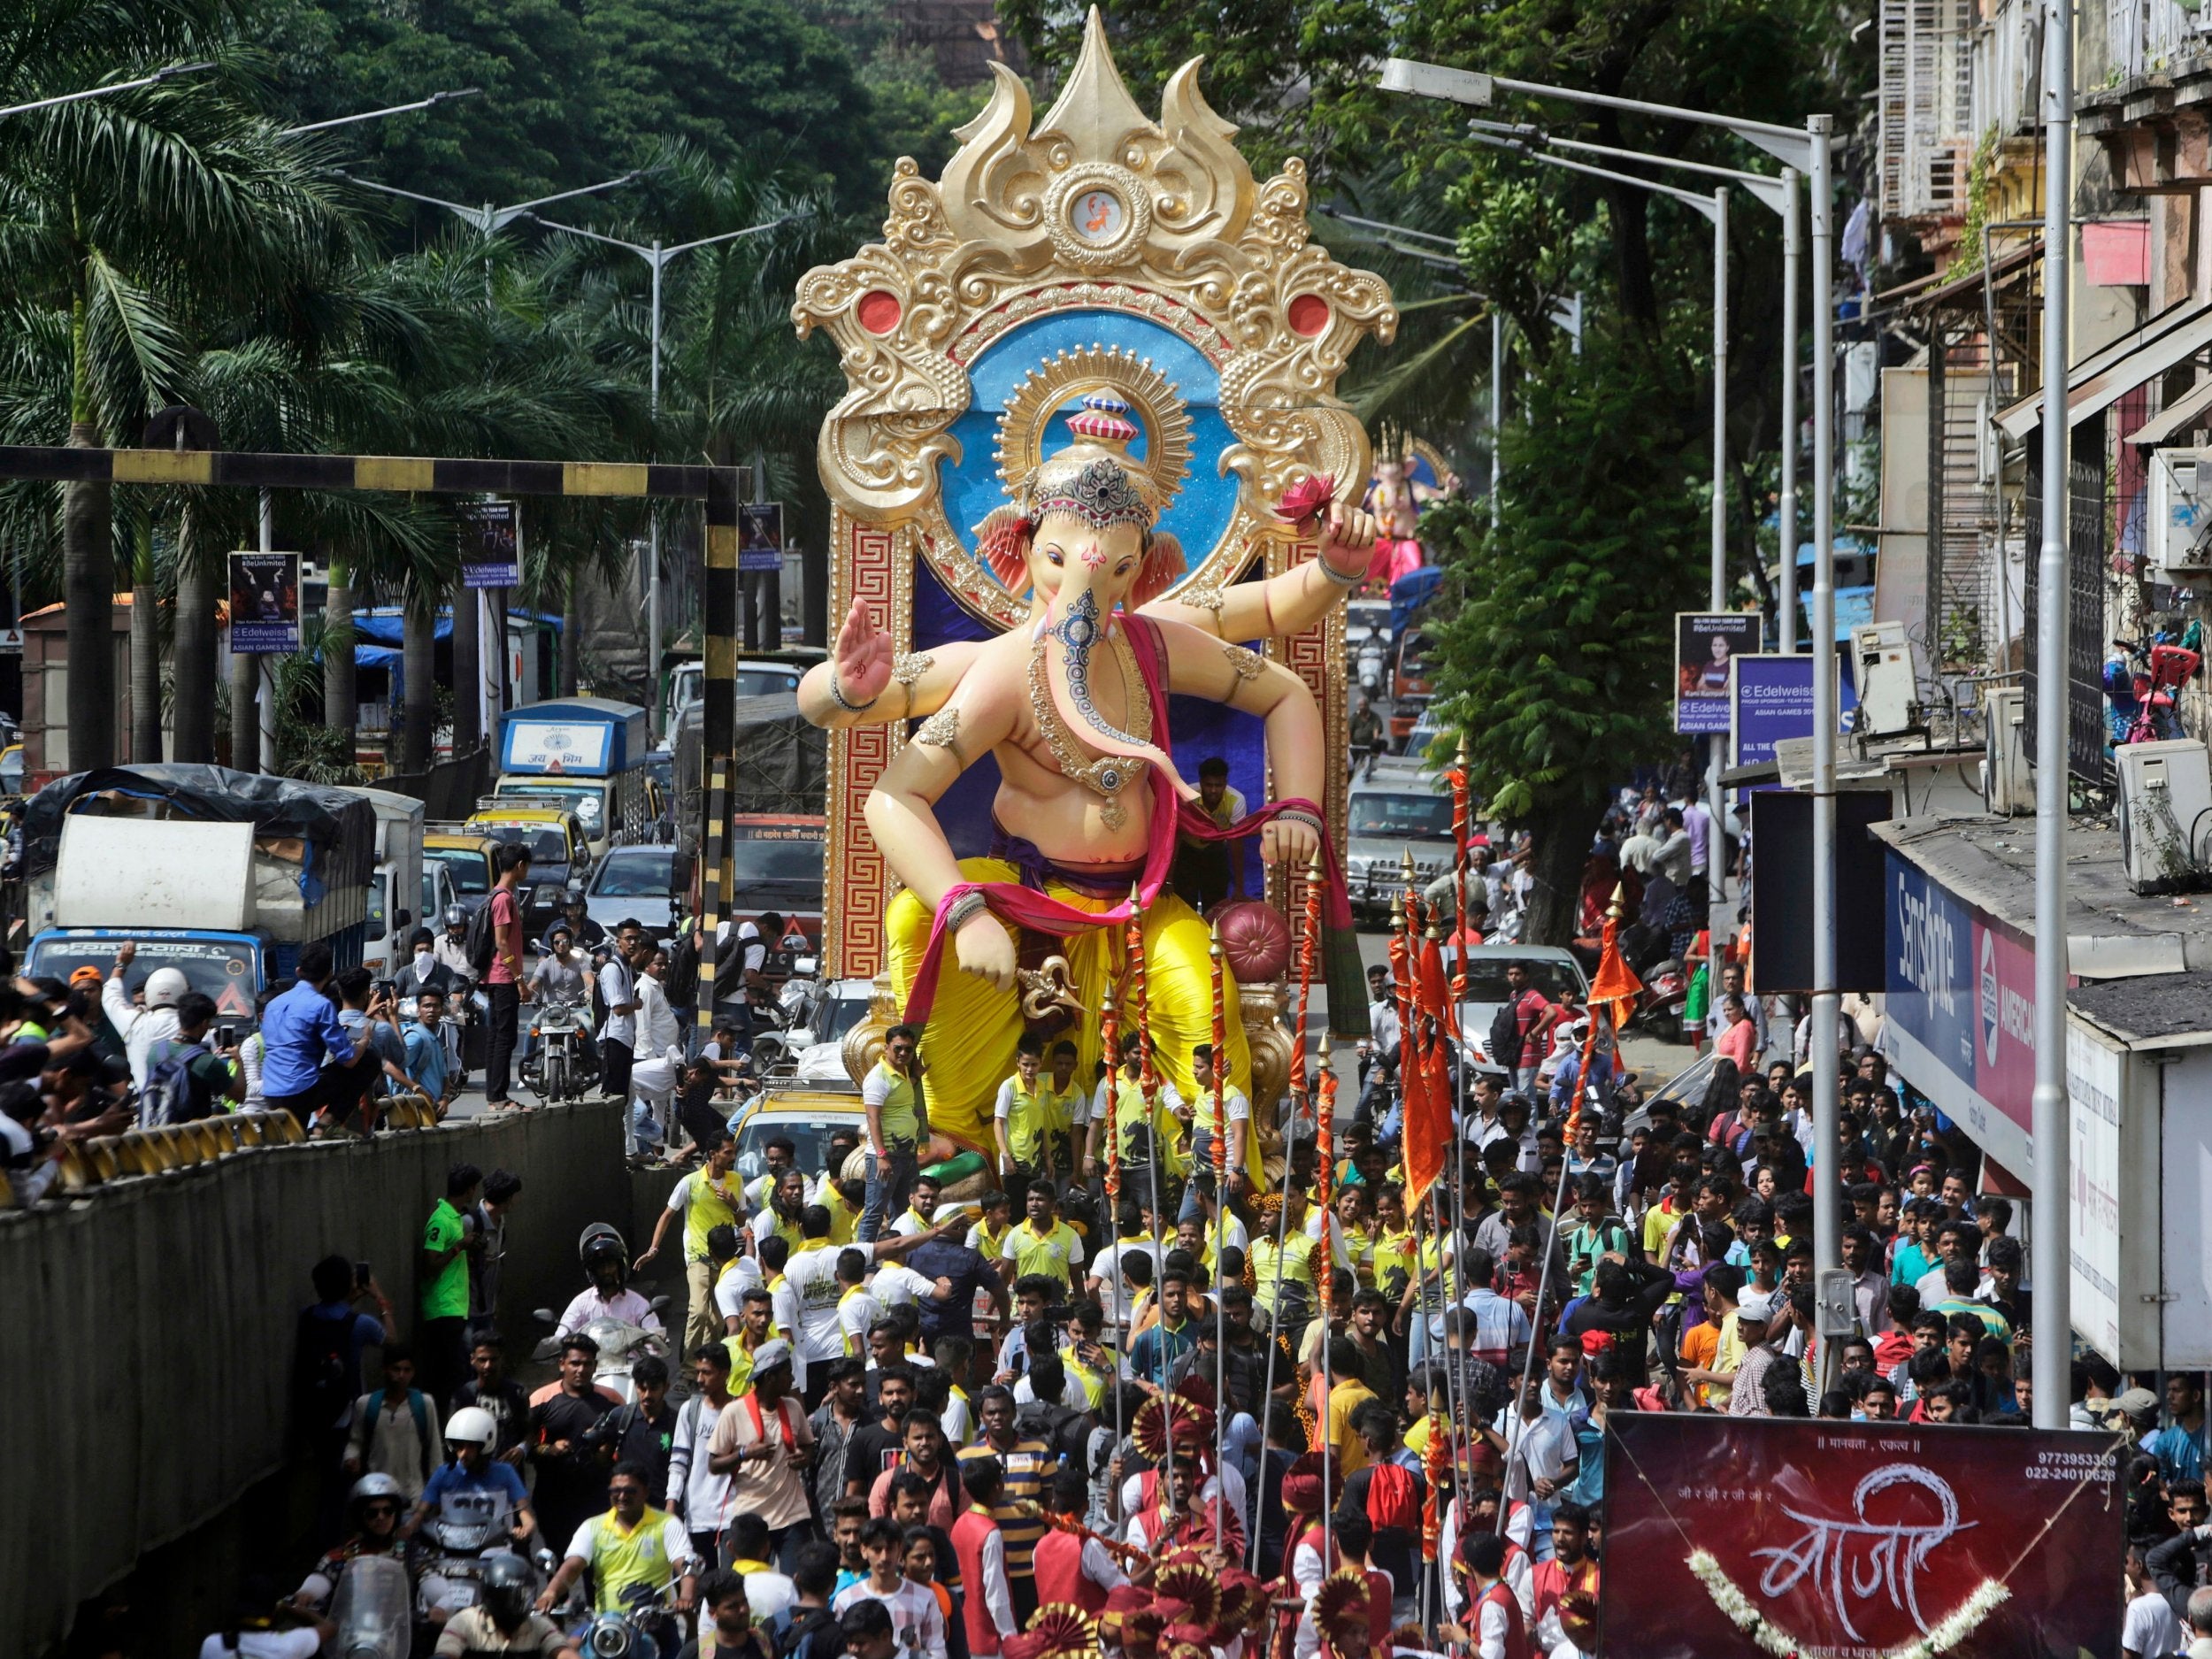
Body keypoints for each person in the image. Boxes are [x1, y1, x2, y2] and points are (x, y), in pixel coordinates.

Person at [537, 1461, 699, 1619]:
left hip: (656, 1622)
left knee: (676, 1646)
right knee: (570, 1645)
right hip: (607, 1625)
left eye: (630, 1491)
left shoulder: (667, 1524)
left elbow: (684, 1564)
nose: (622, 1496)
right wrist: (550, 1593)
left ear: (645, 1492)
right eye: (616, 1491)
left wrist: (686, 1596)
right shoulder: (592, 1527)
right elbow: (572, 1566)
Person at [639, 1132, 749, 1360]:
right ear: (712, 1154)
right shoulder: (690, 1182)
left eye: (733, 1152)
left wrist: (733, 1204)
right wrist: (653, 1248)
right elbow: (668, 1215)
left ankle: (706, 1365)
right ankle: (688, 1369)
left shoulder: (736, 1181)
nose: (732, 1157)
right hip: (698, 1256)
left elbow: (741, 1221)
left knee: (718, 1319)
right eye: (727, 1152)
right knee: (699, 1312)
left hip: (726, 1260)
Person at [707, 1340, 818, 1570]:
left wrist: (804, 1458)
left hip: (792, 1516)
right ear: (770, 1377)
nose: (793, 1380)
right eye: (788, 1374)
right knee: (745, 1588)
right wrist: (744, 1454)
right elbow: (714, 1464)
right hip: (751, 1518)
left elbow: (808, 1446)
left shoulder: (793, 1407)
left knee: (796, 1586)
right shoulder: (734, 1412)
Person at [258, 941, 380, 1126]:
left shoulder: (273, 1005)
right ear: (330, 974)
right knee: (369, 1060)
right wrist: (364, 1039)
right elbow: (349, 1060)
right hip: (301, 1092)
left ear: (298, 971)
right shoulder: (321, 1005)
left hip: (271, 1092)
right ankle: (327, 1122)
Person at [530, 1335, 626, 1555]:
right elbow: (527, 1448)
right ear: (562, 1364)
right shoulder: (540, 1400)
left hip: (596, 1499)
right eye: (575, 1363)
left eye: (587, 1364)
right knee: (556, 1562)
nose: (581, 1369)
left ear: (595, 1366)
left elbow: (624, 1449)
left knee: (595, 1569)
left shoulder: (613, 1401)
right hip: (552, 1497)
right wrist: (550, 1449)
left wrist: (604, 1452)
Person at [833, 1517, 949, 1659]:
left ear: (900, 1550)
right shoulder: (846, 1599)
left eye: (890, 1549)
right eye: (877, 1549)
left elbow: (937, 1652)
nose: (884, 1557)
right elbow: (840, 1651)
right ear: (864, 1550)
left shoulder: (924, 1598)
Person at [344, 1344, 446, 1501]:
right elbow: (355, 1442)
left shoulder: (424, 1404)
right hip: (377, 1494)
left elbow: (435, 1451)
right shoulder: (365, 1405)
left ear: (413, 1372)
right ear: (385, 1369)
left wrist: (436, 1495)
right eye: (396, 1369)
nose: (401, 1375)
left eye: (407, 1370)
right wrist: (351, 1458)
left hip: (413, 1496)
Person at [420, 1163, 483, 1414]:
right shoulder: (441, 1220)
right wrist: (460, 1246)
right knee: (449, 1376)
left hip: (455, 1307)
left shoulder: (454, 1218)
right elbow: (430, 1264)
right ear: (468, 1190)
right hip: (442, 1309)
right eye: (473, 1189)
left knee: (456, 1372)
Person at [435, 1553, 581, 1657]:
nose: (515, 1604)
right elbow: (447, 1653)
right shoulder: (464, 1622)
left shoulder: (539, 1625)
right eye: (506, 1597)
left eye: (522, 1596)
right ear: (490, 1595)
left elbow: (563, 1652)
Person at [862, 1024, 927, 1242]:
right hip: (886, 1157)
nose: (903, 1053)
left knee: (904, 1213)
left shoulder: (902, 1073)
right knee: (874, 1213)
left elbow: (901, 1097)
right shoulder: (878, 1077)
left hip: (907, 1156)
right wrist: (881, 1156)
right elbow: (873, 1118)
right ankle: (864, 1266)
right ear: (886, 1047)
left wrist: (916, 1077)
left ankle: (897, 1257)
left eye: (908, 1050)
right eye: (898, 1048)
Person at [141, 990, 244, 1122]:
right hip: (192, 1137)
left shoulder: (154, 1052)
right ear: (204, 1023)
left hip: (157, 1134)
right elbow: (240, 1095)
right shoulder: (206, 1062)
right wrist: (239, 1061)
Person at [98, 941, 184, 1092]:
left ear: (149, 993)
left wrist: (121, 964)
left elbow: (110, 996)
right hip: (188, 1110)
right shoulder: (194, 1025)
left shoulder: (134, 1022)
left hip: (146, 1104)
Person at [485, 841, 531, 1109]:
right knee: (504, 1037)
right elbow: (502, 943)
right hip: (503, 977)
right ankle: (499, 1096)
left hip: (498, 977)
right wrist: (518, 979)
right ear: (520, 865)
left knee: (498, 1036)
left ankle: (494, 1095)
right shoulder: (503, 898)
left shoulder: (498, 894)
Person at [679, 1568, 772, 1659]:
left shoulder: (764, 1644)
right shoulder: (695, 1653)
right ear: (713, 1613)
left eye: (744, 1601)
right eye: (732, 1607)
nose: (743, 1610)